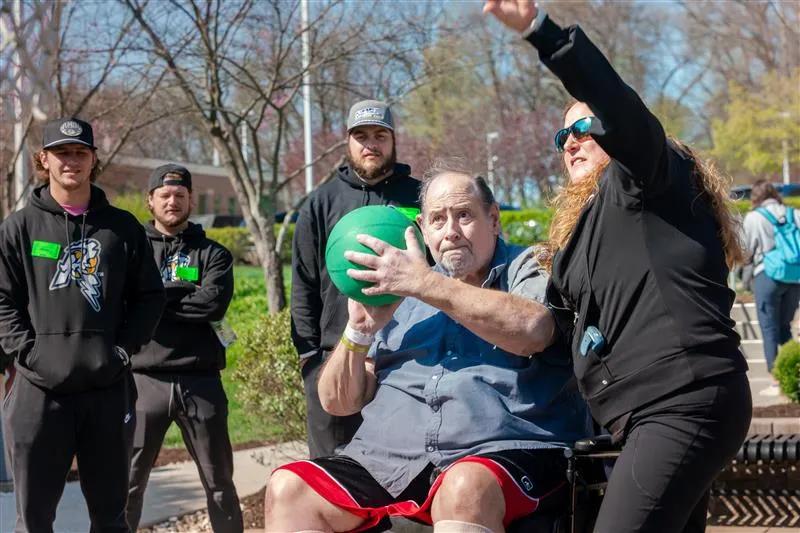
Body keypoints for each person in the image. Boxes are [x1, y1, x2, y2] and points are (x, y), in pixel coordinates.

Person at [483, 2, 753, 532]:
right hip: (645, 413)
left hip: (681, 399)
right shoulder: (584, 236)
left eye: (583, 126)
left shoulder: (649, 177)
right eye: (562, 136)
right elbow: (553, 327)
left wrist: (543, 33)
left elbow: (618, 104)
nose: (572, 141)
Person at [265, 163, 590, 533]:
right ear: (422, 229)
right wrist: (357, 333)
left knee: (464, 486)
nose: (450, 232)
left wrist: (425, 285)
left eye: (464, 215)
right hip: (391, 462)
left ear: (494, 219)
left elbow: (534, 328)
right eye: (437, 220)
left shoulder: (525, 265)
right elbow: (337, 402)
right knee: (288, 488)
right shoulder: (400, 289)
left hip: (503, 451)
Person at [0, 117, 165, 532]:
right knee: (33, 520)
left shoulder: (123, 228)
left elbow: (149, 298)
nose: (71, 161)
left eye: (80, 152)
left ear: (93, 159)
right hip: (38, 394)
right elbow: (2, 300)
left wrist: (122, 351)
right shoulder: (19, 228)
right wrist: (30, 353)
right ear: (44, 160)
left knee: (111, 519)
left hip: (106, 391)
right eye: (61, 153)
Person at [291, 99, 422, 458]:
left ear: (393, 140)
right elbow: (303, 284)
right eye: (361, 136)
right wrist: (310, 360)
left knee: (406, 473)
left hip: (409, 357)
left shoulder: (420, 197)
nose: (371, 144)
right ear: (347, 142)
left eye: (380, 135)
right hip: (339, 357)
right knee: (332, 477)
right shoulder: (320, 202)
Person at [126, 164, 243, 532]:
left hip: (201, 381)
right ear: (150, 200)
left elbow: (212, 306)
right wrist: (180, 296)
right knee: (126, 483)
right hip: (142, 381)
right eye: (164, 195)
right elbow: (125, 304)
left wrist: (153, 303)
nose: (172, 201)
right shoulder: (132, 251)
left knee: (220, 481)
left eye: (180, 195)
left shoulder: (214, 254)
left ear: (191, 199)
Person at [743, 180, 800, 396]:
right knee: (785, 327)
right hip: (794, 277)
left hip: (767, 276)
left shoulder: (754, 217)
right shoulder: (793, 213)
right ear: (774, 194)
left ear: (756, 197)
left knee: (769, 329)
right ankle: (792, 378)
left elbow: (746, 251)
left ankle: (775, 381)